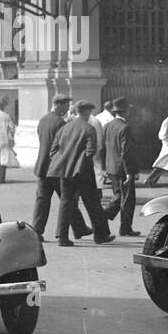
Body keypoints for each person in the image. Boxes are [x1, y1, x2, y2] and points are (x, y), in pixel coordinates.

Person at [46, 101, 113, 247]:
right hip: (83, 172)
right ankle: (99, 235)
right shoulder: (89, 128)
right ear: (87, 112)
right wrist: (80, 164)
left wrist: (63, 162)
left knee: (66, 203)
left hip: (65, 172)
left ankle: (62, 237)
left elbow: (53, 150)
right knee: (93, 204)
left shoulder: (64, 128)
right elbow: (90, 151)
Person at [31, 95, 89, 241]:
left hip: (42, 165)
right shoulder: (60, 123)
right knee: (67, 199)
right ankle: (78, 228)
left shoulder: (43, 120)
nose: (67, 109)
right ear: (58, 105)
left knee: (42, 200)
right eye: (65, 106)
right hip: (55, 167)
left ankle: (37, 231)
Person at [102, 99, 138, 237]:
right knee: (128, 199)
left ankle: (101, 218)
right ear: (125, 111)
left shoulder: (107, 126)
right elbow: (126, 152)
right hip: (123, 169)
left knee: (118, 196)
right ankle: (125, 228)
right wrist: (129, 173)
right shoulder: (125, 128)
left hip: (111, 168)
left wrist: (105, 168)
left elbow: (103, 149)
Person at [145, 106, 168, 187]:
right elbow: (161, 135)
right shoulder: (166, 122)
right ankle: (149, 180)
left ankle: (152, 180)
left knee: (165, 165)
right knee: (161, 165)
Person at [93, 99, 115, 185]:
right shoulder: (110, 118)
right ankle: (105, 176)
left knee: (100, 161)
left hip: (97, 141)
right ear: (112, 108)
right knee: (106, 160)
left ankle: (102, 177)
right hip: (106, 142)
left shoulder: (98, 116)